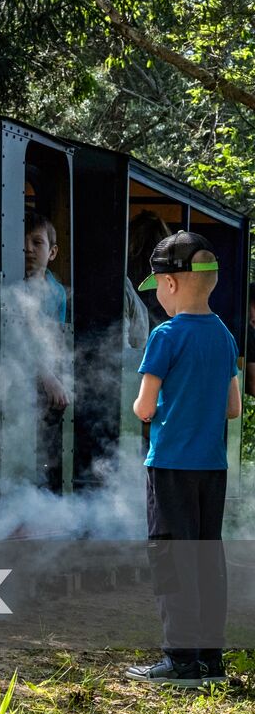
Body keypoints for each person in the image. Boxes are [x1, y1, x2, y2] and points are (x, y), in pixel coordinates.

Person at [125, 231, 239, 687]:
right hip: (212, 469)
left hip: (171, 464)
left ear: (169, 284)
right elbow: (233, 407)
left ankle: (180, 662)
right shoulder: (225, 335)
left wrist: (148, 408)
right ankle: (210, 660)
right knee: (208, 560)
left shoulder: (166, 335)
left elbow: (145, 407)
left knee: (173, 558)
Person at [23, 211, 69, 491]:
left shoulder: (57, 292)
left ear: (52, 252)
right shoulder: (13, 284)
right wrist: (48, 377)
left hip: (43, 378)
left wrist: (55, 376)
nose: (27, 248)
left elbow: (55, 338)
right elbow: (22, 336)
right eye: (23, 241)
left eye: (36, 242)